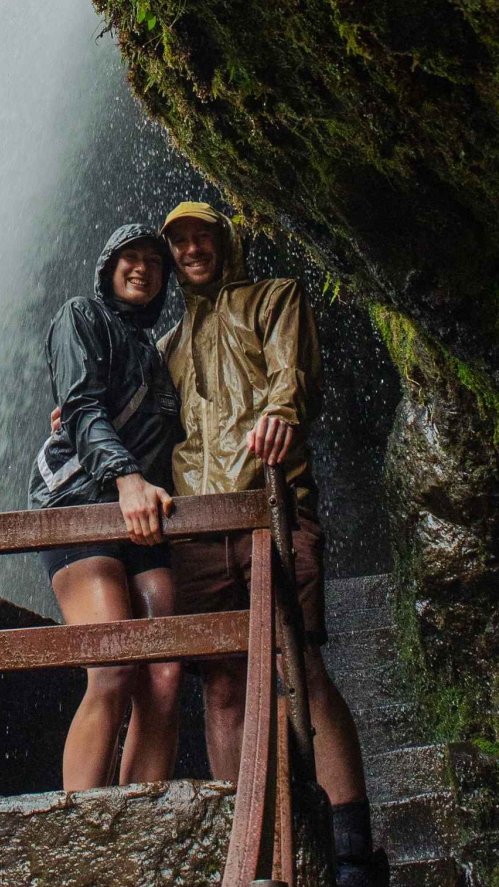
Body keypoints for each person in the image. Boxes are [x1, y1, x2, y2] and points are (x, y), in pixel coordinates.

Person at [157, 200, 387, 887]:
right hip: (198, 527)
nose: (192, 249)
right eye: (179, 241)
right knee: (223, 685)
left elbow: (293, 377)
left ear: (224, 240)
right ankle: (249, 851)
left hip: (272, 505)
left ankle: (352, 849)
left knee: (302, 666)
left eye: (202, 236)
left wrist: (282, 414)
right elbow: (141, 422)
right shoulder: (167, 346)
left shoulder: (274, 298)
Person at [29, 223, 184, 792]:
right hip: (78, 496)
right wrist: (126, 478)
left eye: (154, 261)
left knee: (165, 674)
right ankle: (82, 824)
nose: (141, 267)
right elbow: (82, 407)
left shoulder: (158, 355)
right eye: (129, 257)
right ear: (108, 267)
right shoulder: (81, 315)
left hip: (139, 509)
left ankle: (140, 818)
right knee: (114, 664)